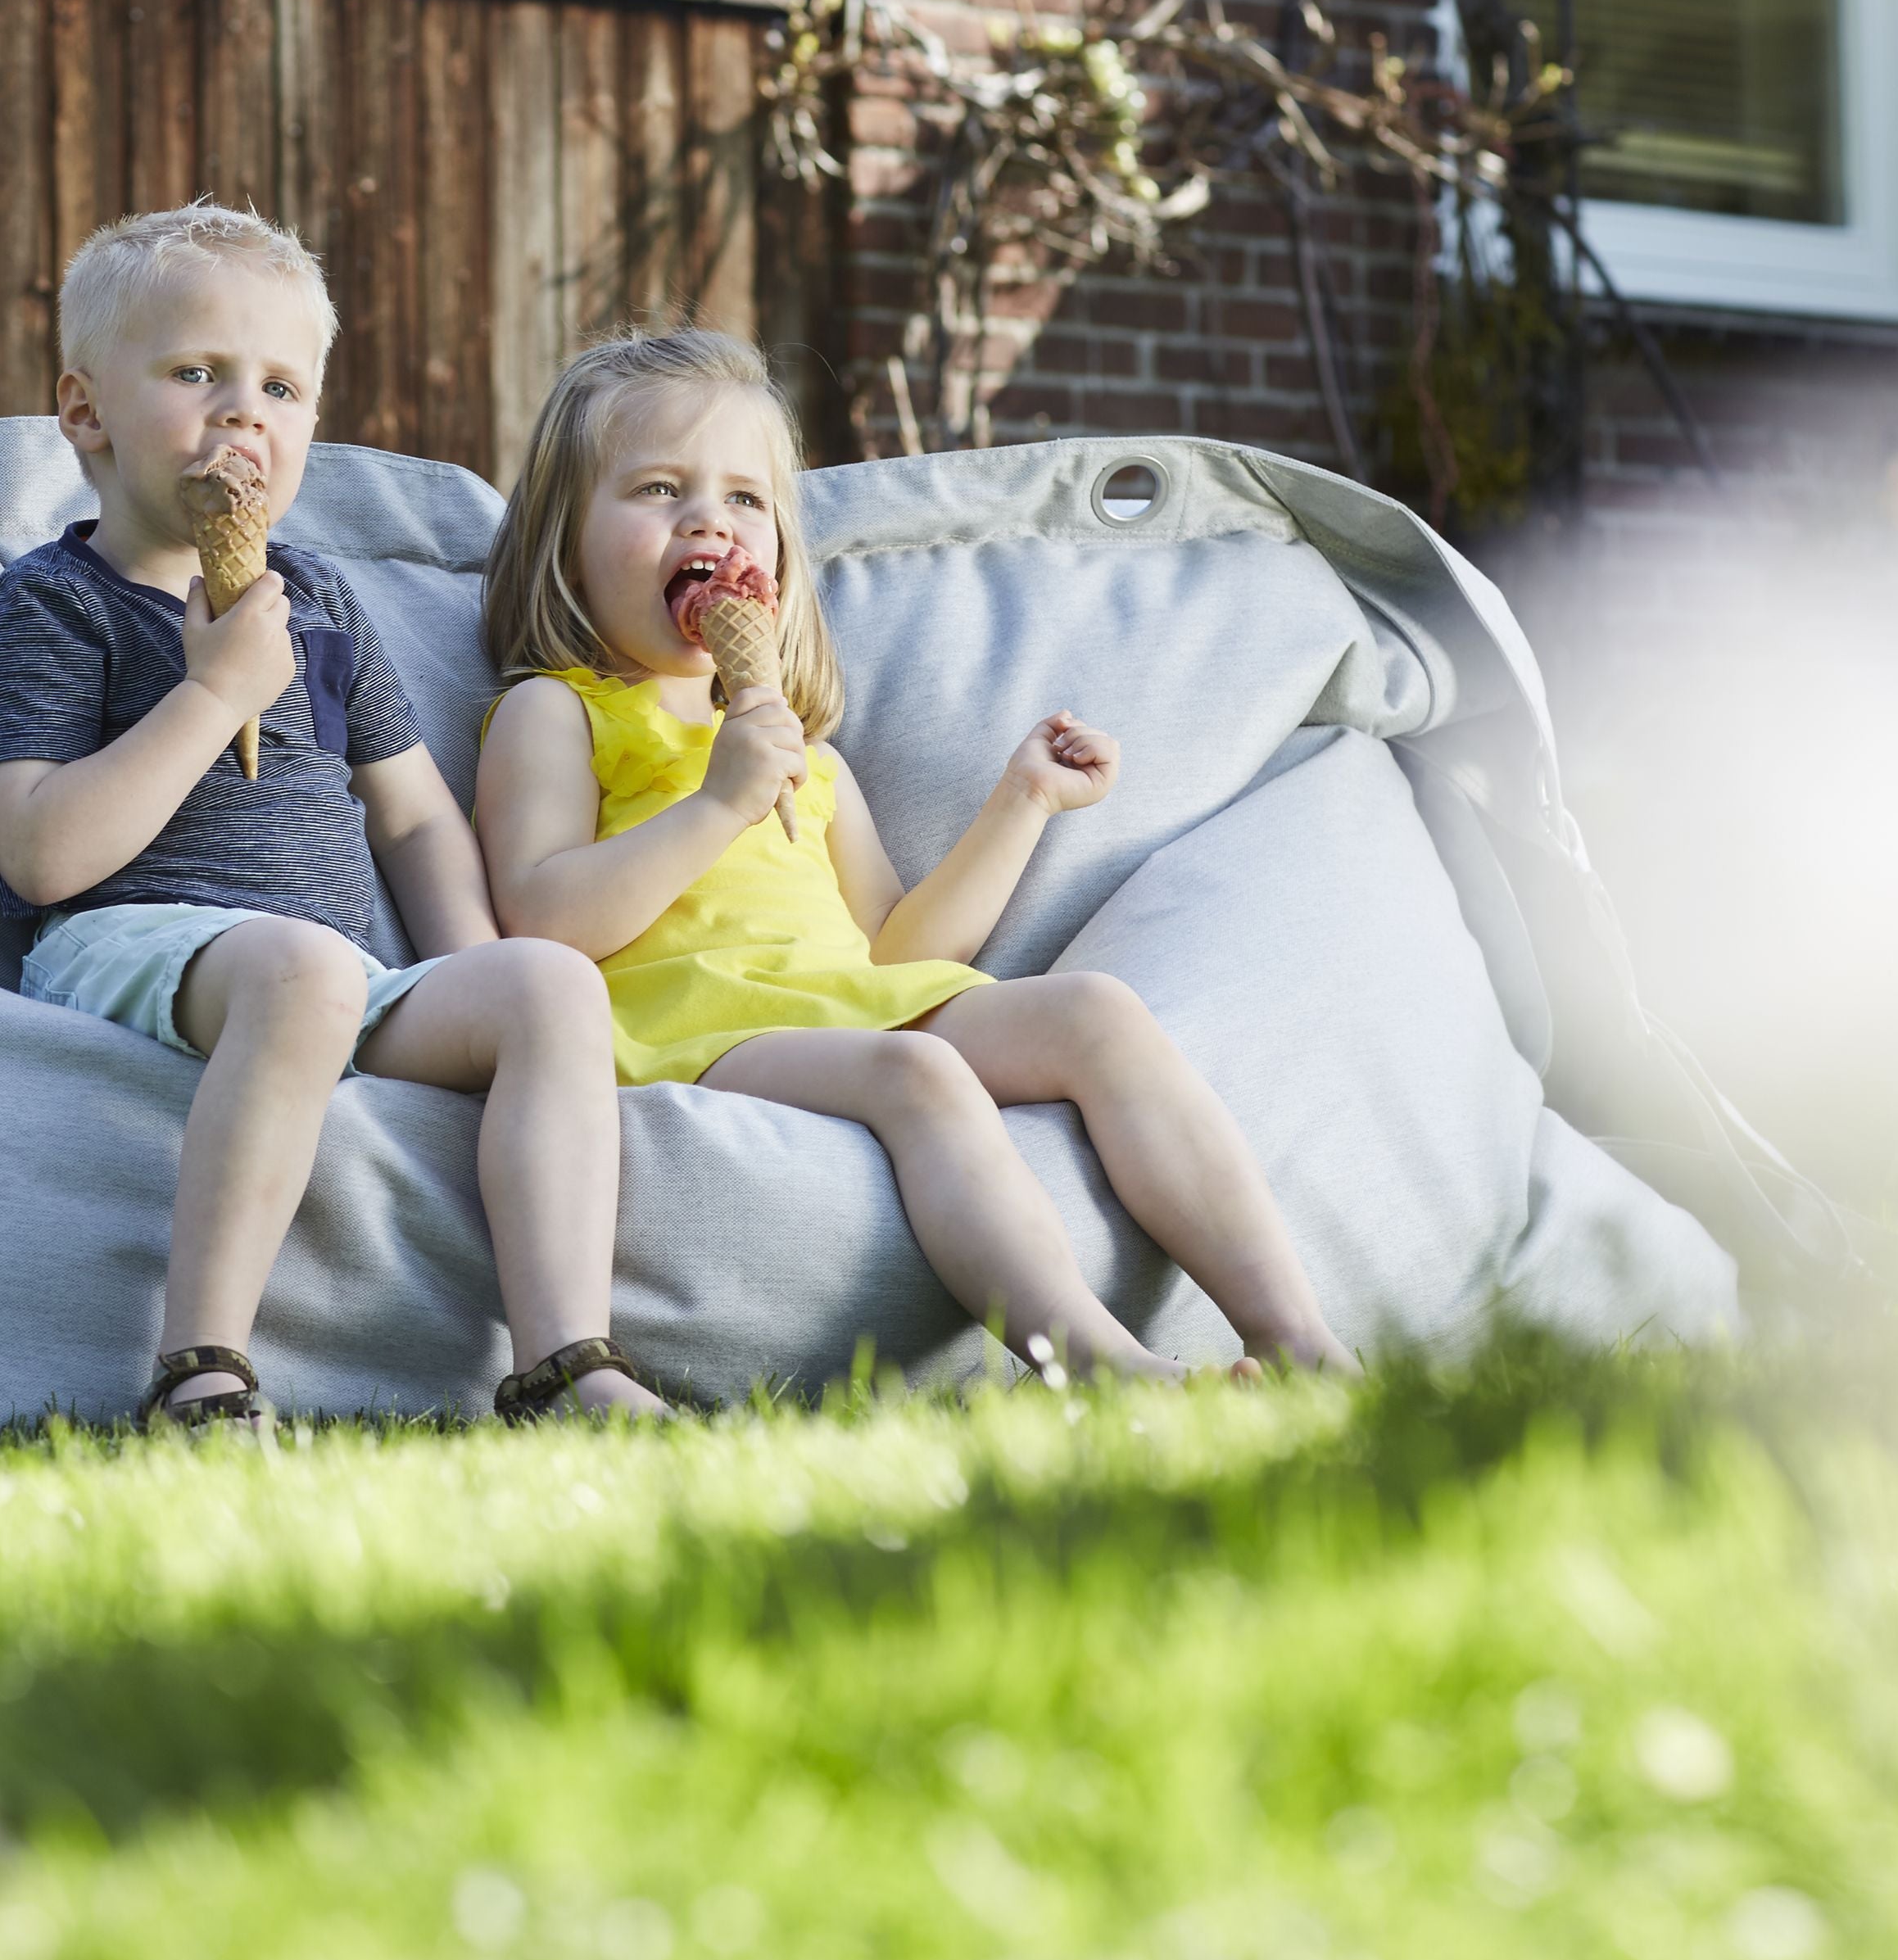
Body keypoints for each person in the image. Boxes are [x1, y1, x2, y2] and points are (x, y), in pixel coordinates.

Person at [468, 328, 1355, 1378]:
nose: (708, 518)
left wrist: (1019, 803)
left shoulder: (805, 753)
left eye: (745, 500)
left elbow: (893, 948)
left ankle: (1297, 1340)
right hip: (691, 1030)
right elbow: (538, 920)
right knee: (917, 1071)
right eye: (659, 489)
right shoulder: (555, 713)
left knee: (1098, 1013)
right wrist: (712, 807)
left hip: (839, 998)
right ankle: (1104, 1370)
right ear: (563, 538)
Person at [0, 205, 673, 1425]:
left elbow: (416, 820)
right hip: (131, 946)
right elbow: (38, 850)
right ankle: (201, 1367)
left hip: (338, 972)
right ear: (85, 413)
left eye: (281, 388)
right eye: (196, 374)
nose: (244, 414)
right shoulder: (52, 606)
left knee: (548, 984)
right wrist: (215, 690)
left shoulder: (320, 596)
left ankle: (564, 1364)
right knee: (303, 972)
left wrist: (475, 972)